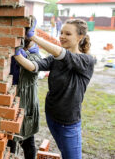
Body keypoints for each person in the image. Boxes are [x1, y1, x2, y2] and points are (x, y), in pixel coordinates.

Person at [15, 18, 94, 159]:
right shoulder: (55, 58)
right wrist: (16, 53)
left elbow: (63, 55)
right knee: (64, 152)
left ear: (80, 37)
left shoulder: (86, 61)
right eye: (62, 32)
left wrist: (33, 36)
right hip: (52, 117)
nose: (62, 36)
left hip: (69, 123)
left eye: (68, 34)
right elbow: (34, 67)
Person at [8, 18, 41, 159]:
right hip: (9, 100)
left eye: (26, 29)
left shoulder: (34, 52)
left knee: (28, 142)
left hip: (25, 103)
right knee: (10, 142)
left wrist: (16, 51)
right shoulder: (11, 48)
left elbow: (31, 66)